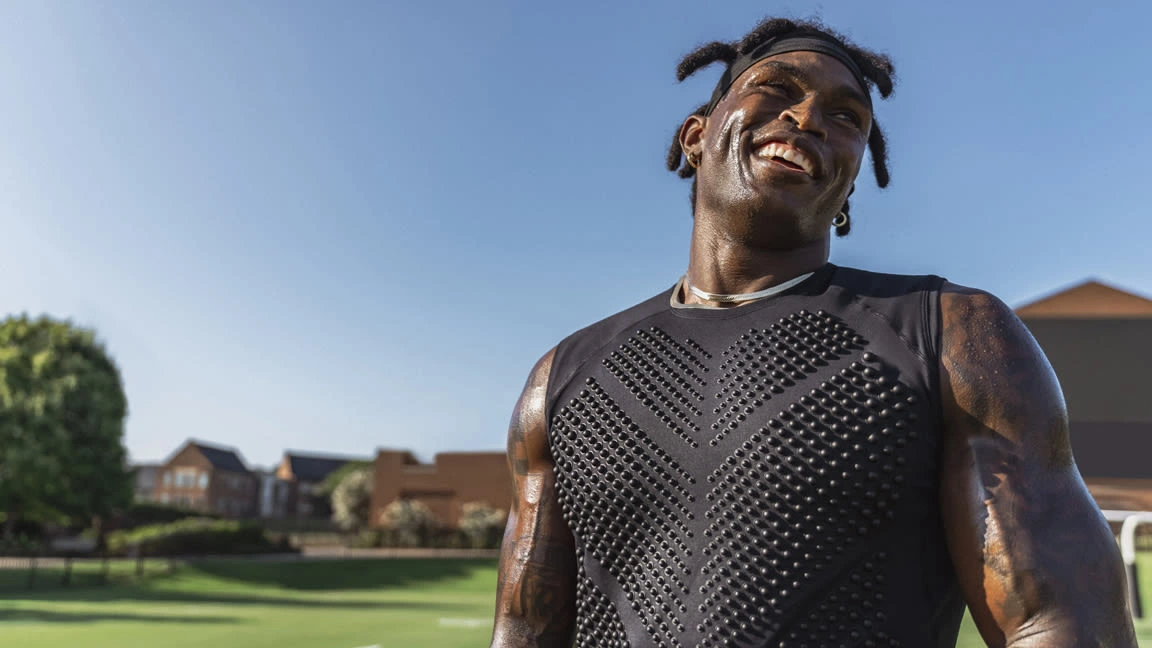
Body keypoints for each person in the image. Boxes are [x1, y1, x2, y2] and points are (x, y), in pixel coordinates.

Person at [489, 16, 1136, 648]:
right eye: (775, 90)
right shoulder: (562, 378)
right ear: (696, 135)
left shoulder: (952, 333)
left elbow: (1055, 621)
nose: (808, 118)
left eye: (848, 116)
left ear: (850, 182)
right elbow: (523, 629)